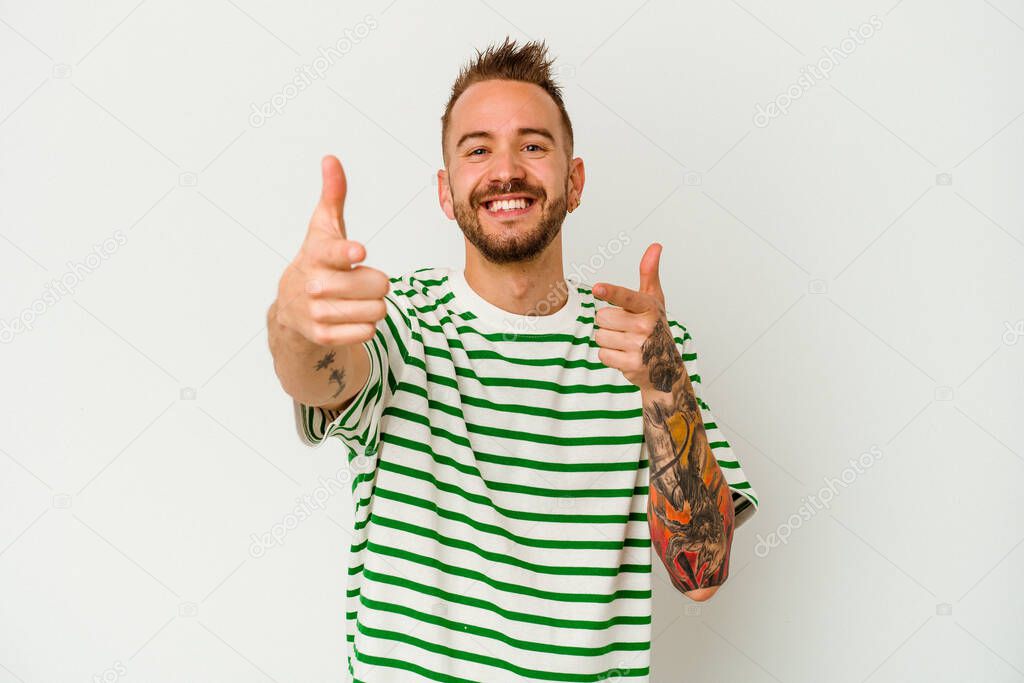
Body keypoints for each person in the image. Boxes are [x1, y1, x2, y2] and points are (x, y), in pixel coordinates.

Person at [267, 36, 760, 682]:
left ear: (573, 181)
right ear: (447, 193)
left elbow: (703, 573)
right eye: (478, 149)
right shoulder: (402, 322)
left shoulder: (647, 348)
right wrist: (297, 320)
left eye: (533, 144)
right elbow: (318, 373)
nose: (506, 170)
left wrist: (663, 386)